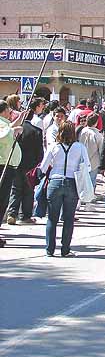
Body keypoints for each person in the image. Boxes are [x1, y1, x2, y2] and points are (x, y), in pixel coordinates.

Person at [40, 121, 90, 257]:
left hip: (55, 181)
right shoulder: (80, 147)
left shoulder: (54, 147)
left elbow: (43, 167)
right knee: (69, 218)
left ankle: (49, 249)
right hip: (72, 182)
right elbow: (87, 166)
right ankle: (65, 249)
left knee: (52, 218)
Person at [6, 106, 44, 225]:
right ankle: (25, 215)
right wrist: (36, 164)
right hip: (30, 165)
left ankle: (12, 213)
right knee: (28, 190)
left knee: (15, 189)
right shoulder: (36, 131)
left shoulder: (14, 129)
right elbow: (40, 152)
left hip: (14, 163)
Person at [0, 101, 25, 247]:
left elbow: (8, 127)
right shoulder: (2, 125)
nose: (11, 114)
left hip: (7, 165)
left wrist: (19, 119)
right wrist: (15, 131)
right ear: (3, 111)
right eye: (9, 111)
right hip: (3, 165)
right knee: (2, 200)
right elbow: (4, 133)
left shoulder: (4, 123)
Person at [79, 113, 104, 194]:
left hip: (82, 159)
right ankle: (89, 197)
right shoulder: (98, 135)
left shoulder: (82, 131)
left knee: (82, 180)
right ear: (96, 122)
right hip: (93, 161)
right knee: (91, 181)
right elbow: (101, 150)